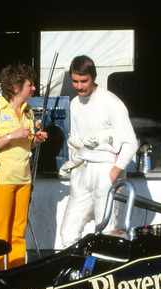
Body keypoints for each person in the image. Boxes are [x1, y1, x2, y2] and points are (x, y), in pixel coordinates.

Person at [59, 55, 138, 248]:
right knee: (68, 233)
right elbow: (75, 140)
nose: (79, 86)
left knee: (108, 232)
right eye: (75, 81)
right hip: (82, 170)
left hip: (106, 168)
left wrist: (114, 172)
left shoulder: (111, 102)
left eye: (84, 81)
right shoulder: (75, 104)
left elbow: (130, 142)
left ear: (93, 77)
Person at [0, 62, 47, 269]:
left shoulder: (28, 112)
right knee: (0, 232)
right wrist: (11, 135)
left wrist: (36, 139)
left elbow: (25, 145)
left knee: (18, 232)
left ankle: (16, 273)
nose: (34, 88)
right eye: (31, 84)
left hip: (24, 179)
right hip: (2, 179)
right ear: (16, 87)